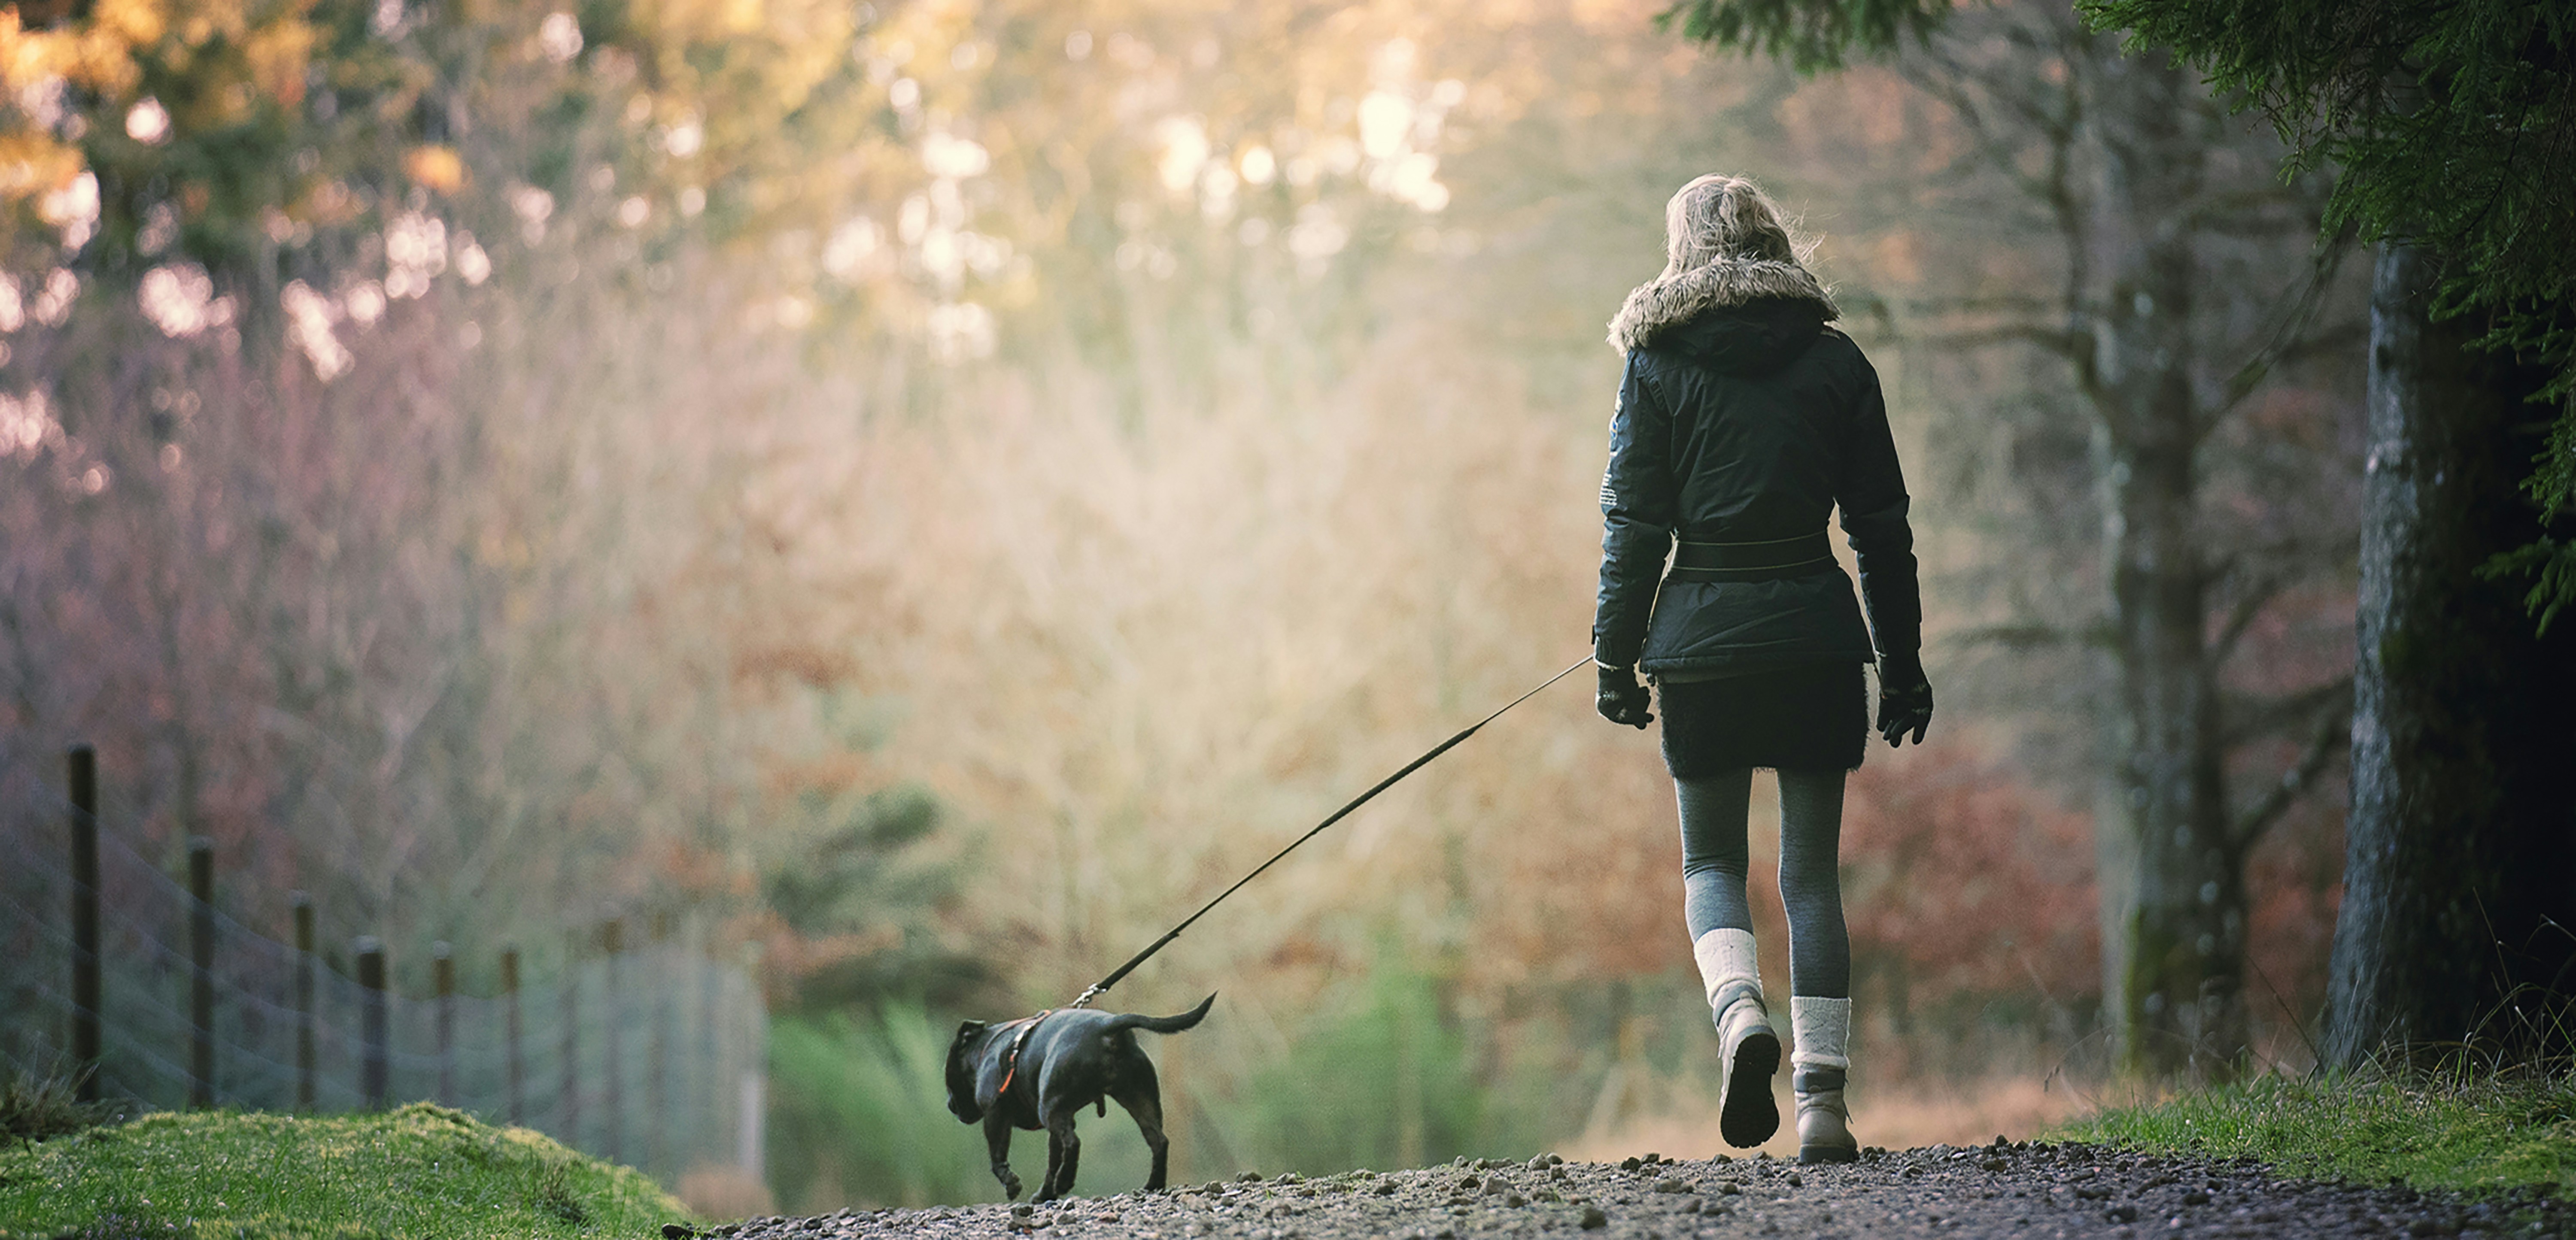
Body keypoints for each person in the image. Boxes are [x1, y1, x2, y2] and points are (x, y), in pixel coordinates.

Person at [1590, 173, 1932, 1164]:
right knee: (1812, 876)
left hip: (1699, 641)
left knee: (1711, 864)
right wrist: (1902, 665)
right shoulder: (1837, 363)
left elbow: (1634, 522)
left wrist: (1615, 654)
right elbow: (1881, 527)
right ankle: (1824, 1105)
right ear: (1777, 242)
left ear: (1682, 251)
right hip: (1818, 638)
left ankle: (1741, 1016)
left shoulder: (1655, 365)